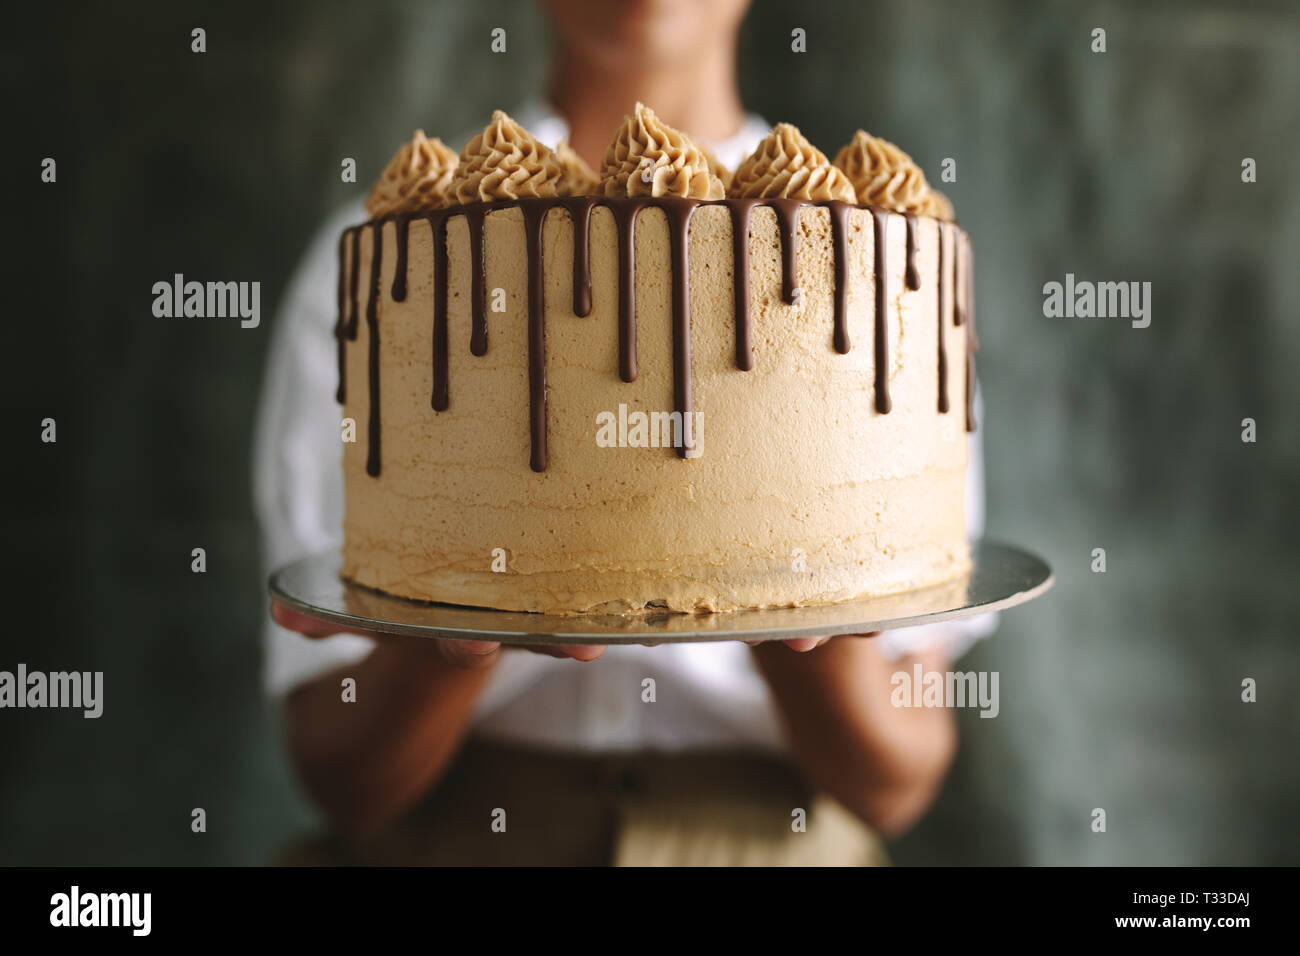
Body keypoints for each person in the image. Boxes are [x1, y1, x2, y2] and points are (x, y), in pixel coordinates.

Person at [256, 0, 994, 865]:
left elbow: (895, 779)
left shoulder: (884, 260)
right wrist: (453, 637)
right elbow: (340, 776)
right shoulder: (389, 254)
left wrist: (788, 604)